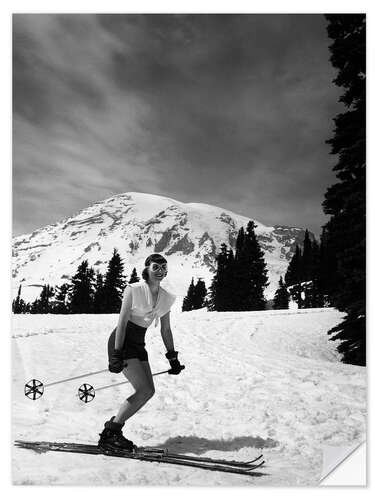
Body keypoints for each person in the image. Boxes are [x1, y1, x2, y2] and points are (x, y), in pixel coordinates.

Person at [98, 253, 184, 452]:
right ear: (146, 268)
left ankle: (113, 428)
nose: (160, 271)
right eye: (156, 267)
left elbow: (166, 329)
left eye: (164, 267)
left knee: (149, 391)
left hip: (138, 344)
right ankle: (111, 433)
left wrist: (173, 357)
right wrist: (116, 353)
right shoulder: (134, 290)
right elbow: (121, 322)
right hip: (123, 341)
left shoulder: (166, 298)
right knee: (143, 390)